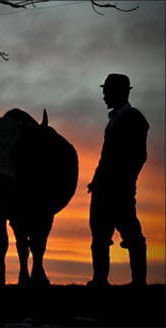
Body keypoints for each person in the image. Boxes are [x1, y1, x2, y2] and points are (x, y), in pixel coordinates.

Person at [87, 73, 149, 288]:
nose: (104, 96)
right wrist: (96, 181)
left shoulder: (134, 119)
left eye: (106, 92)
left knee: (131, 234)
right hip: (105, 188)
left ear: (120, 92)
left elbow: (137, 157)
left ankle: (138, 281)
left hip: (119, 190)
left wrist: (124, 182)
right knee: (100, 236)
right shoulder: (116, 119)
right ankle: (100, 280)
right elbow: (107, 156)